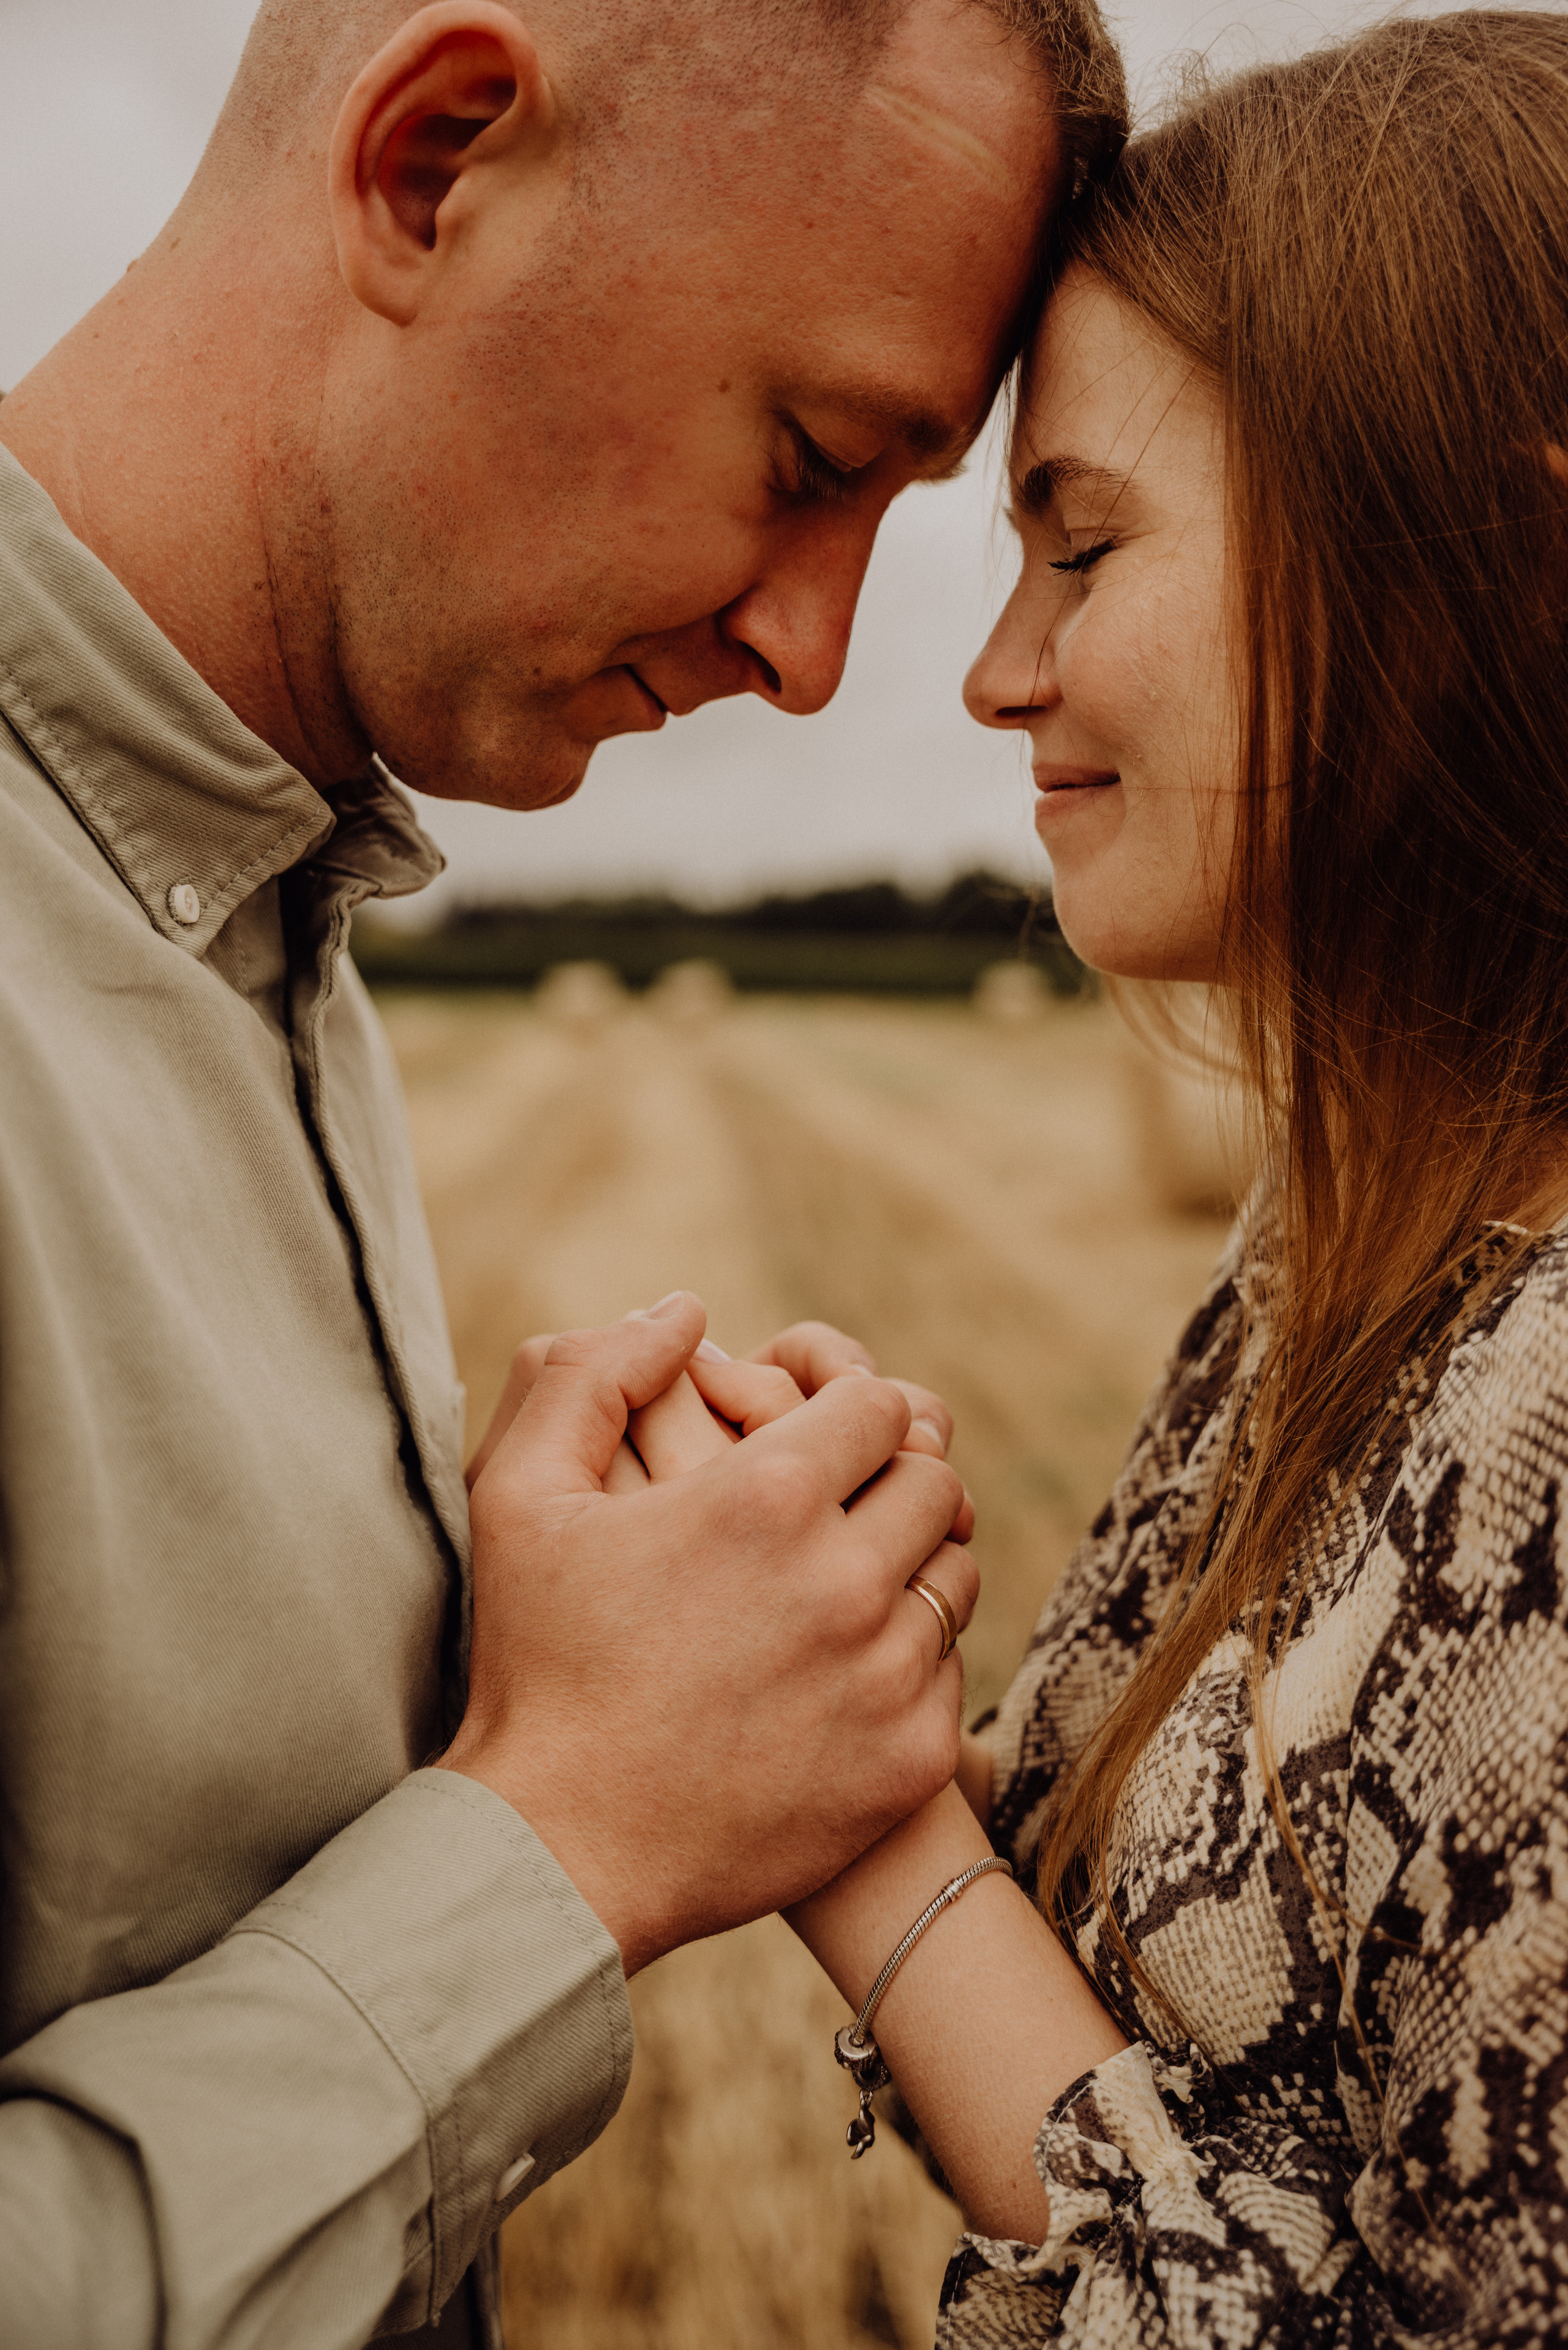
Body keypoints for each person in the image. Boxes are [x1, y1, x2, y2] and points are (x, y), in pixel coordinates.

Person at [0, 4, 1129, 2345]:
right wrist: (564, 1838)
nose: (822, 658)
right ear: (431, 165)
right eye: (814, 454)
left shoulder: (256, 907)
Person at [695, 10, 1566, 2343]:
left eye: (1081, 544)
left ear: (1486, 553)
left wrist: (864, 1833)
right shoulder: (1356, 1240)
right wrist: (785, 1682)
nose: (993, 669)